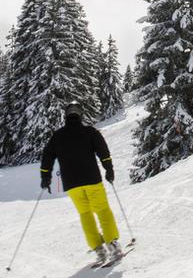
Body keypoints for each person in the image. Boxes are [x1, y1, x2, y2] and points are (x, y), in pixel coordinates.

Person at [40, 101, 123, 265]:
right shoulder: (89, 132)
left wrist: (45, 177)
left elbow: (47, 157)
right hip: (92, 179)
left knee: (85, 215)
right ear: (80, 115)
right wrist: (109, 169)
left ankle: (98, 249)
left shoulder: (57, 136)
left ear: (66, 116)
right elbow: (103, 151)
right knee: (102, 210)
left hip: (71, 184)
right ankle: (112, 244)